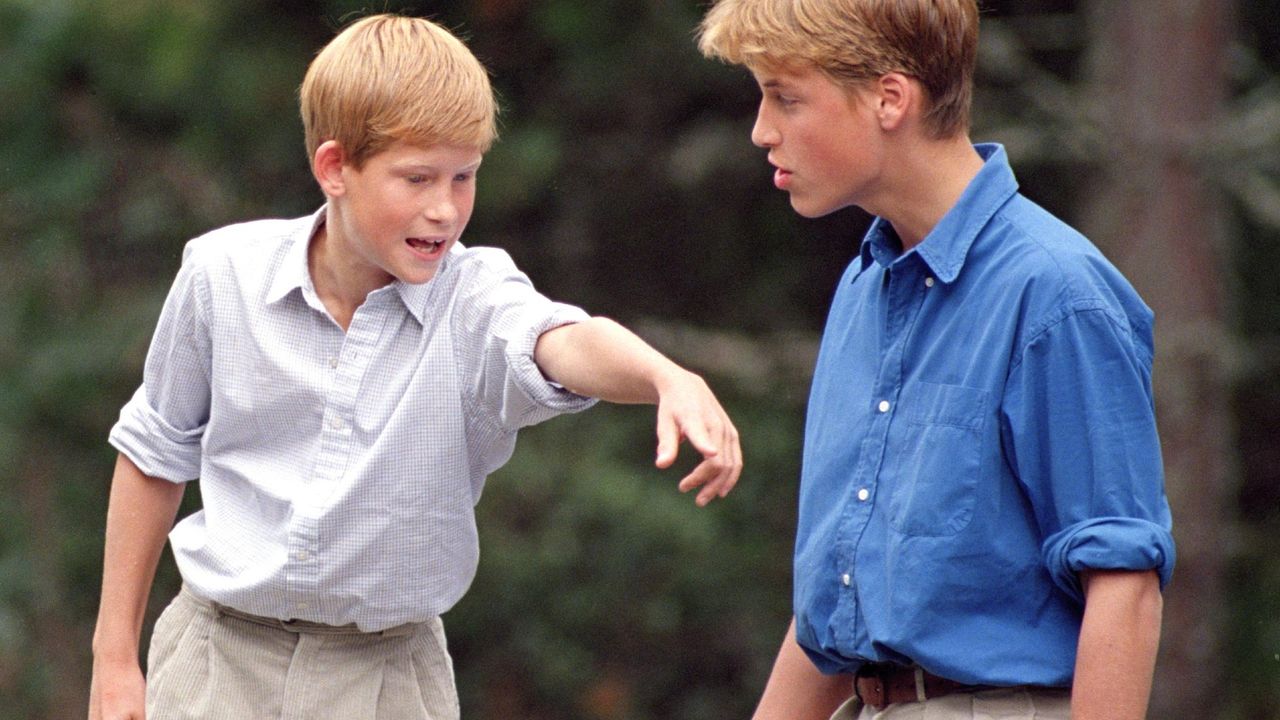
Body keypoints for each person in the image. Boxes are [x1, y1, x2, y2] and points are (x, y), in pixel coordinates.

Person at [88, 14, 742, 720]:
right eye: (417, 178)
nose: (444, 209)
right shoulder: (221, 275)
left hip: (387, 677)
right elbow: (154, 454)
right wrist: (114, 658)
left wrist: (663, 378)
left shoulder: (475, 296)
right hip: (217, 660)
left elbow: (561, 340)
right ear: (335, 167)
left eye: (465, 177)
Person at [697, 1, 1174, 719]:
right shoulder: (864, 286)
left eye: (786, 98)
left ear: (890, 98)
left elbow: (1124, 586)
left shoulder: (1056, 293)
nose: (762, 131)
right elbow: (838, 599)